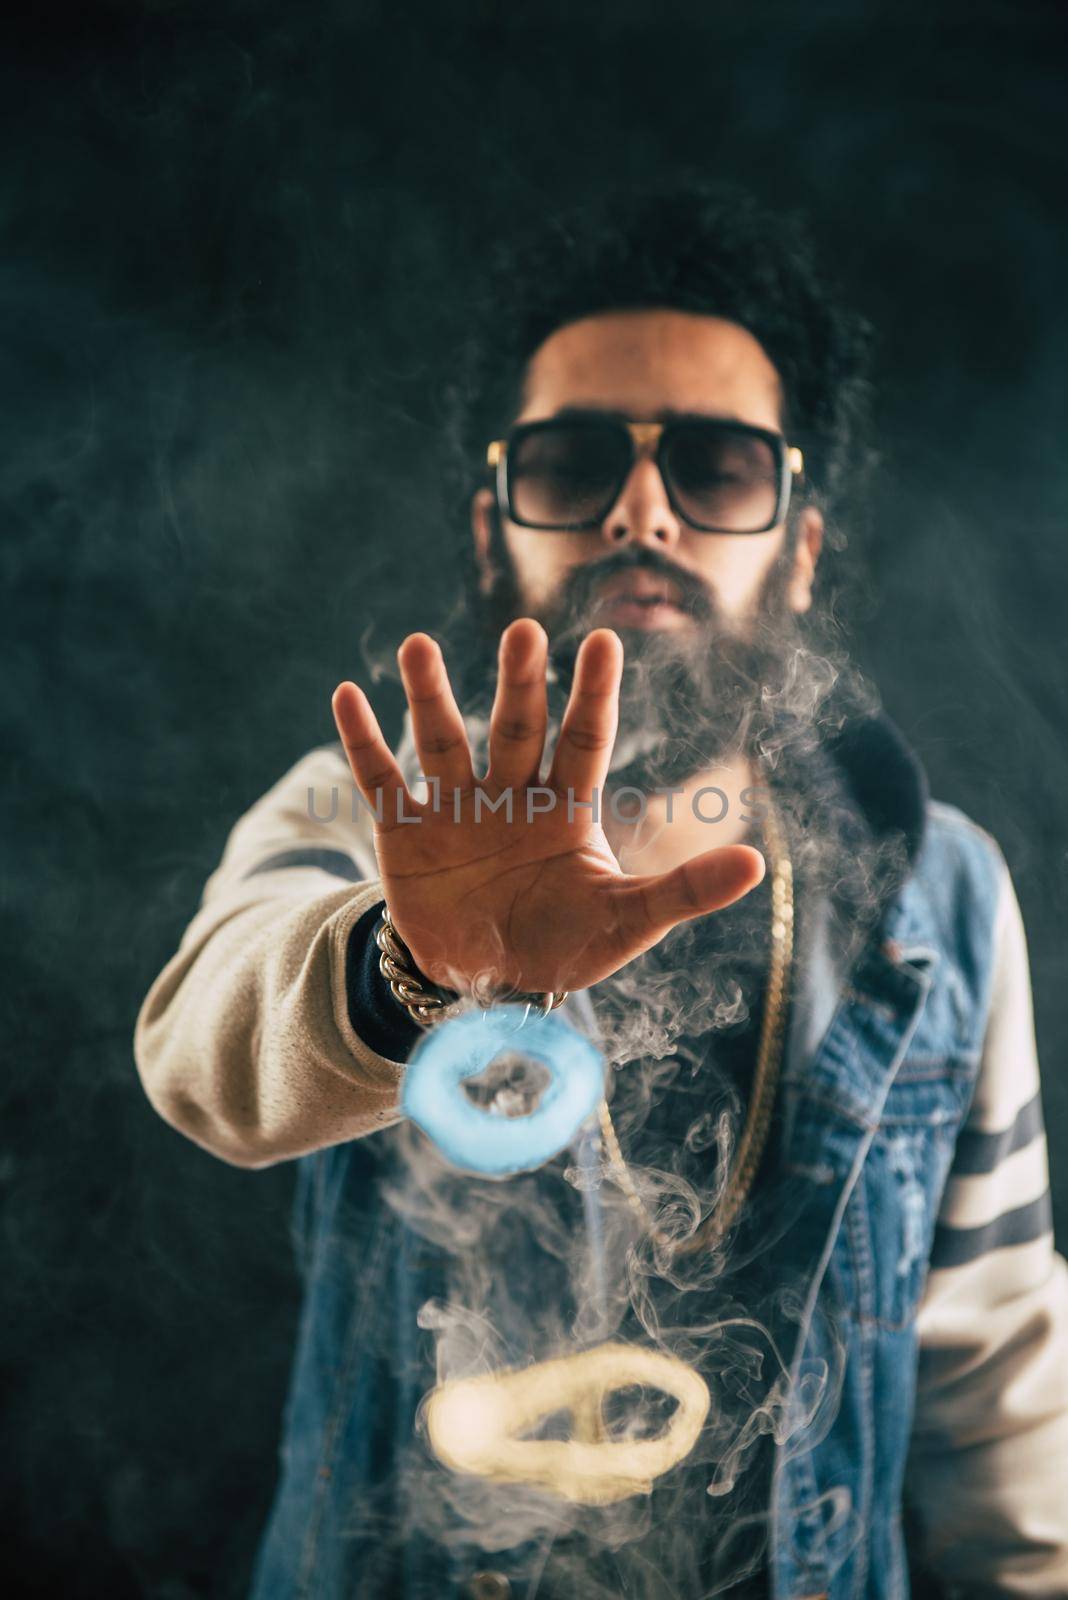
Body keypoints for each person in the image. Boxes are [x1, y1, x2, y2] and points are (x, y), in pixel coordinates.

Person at [134, 181, 1068, 1599]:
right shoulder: (358, 810)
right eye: (573, 465)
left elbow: (997, 1383)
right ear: (492, 527)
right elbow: (204, 1060)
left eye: (719, 466)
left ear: (799, 547)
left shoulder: (939, 892)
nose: (644, 510)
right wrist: (408, 965)